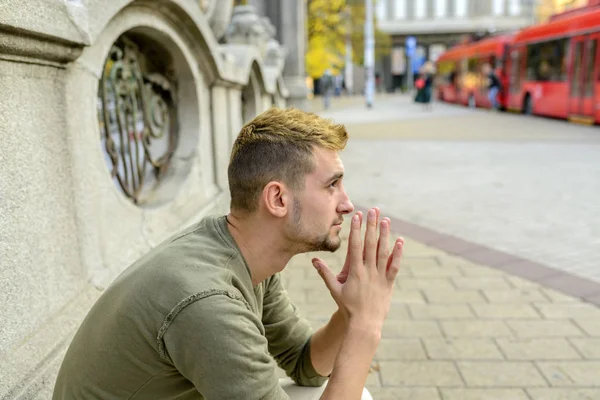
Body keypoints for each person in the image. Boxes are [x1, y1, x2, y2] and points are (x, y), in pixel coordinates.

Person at [53, 107, 405, 400]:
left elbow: (304, 365)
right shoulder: (209, 302)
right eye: (332, 185)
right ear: (278, 199)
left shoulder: (247, 256)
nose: (347, 204)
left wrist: (349, 314)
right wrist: (366, 326)